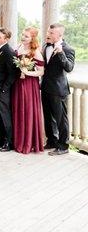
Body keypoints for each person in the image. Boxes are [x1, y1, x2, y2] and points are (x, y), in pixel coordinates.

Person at [42, 23, 75, 156]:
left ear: (60, 35)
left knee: (61, 119)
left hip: (58, 89)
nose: (48, 35)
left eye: (51, 33)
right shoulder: (45, 46)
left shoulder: (68, 49)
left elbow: (69, 68)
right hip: (45, 87)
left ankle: (63, 146)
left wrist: (61, 53)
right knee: (48, 117)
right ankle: (52, 141)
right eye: (48, 32)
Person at [12, 27, 45, 154]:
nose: (23, 37)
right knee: (18, 110)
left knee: (27, 111)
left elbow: (41, 71)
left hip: (29, 85)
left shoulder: (35, 51)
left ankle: (28, 142)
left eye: (26, 36)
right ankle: (18, 141)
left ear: (32, 38)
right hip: (18, 83)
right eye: (23, 35)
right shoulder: (19, 47)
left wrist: (27, 72)